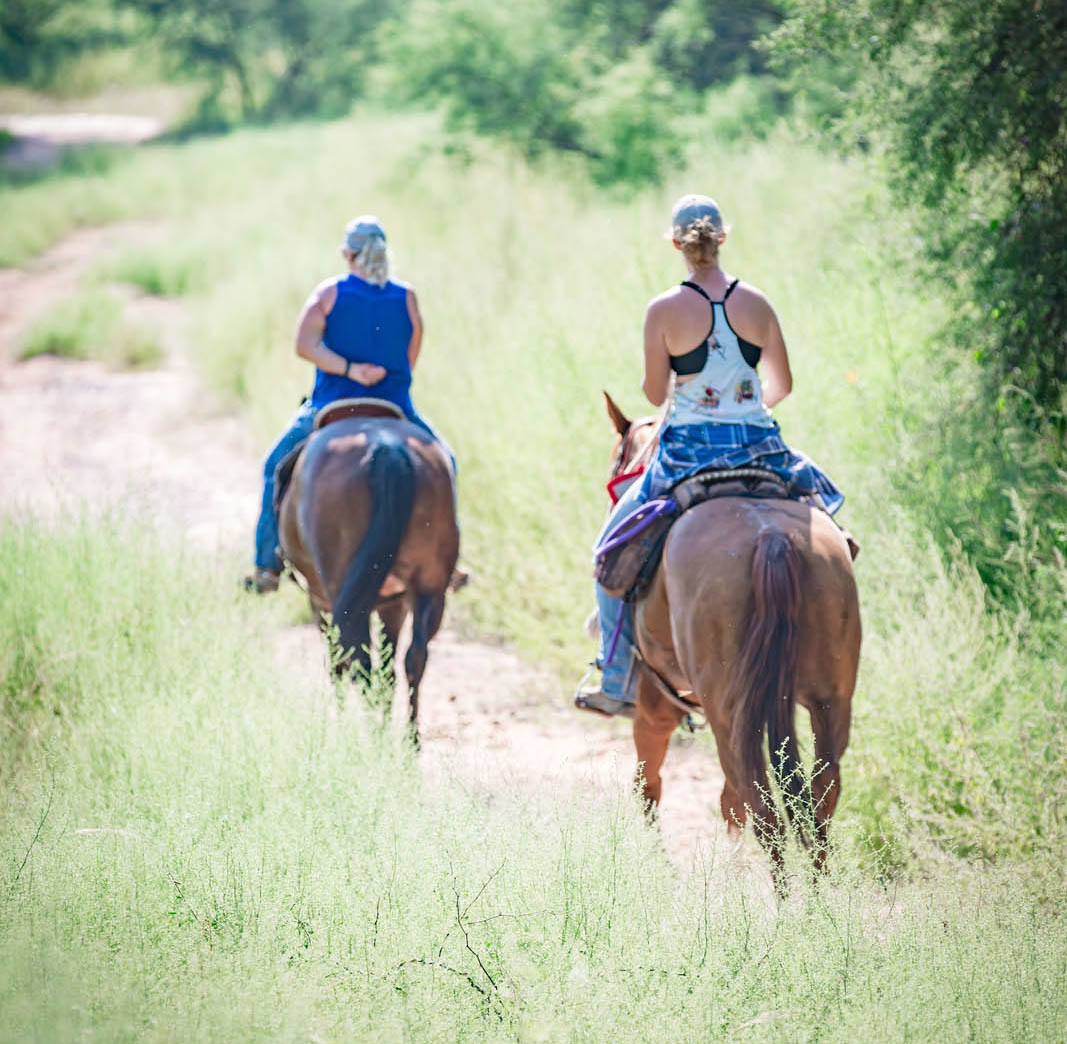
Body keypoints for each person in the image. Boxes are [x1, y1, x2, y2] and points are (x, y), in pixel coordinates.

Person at [575, 194, 845, 717]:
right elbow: (782, 385)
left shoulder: (664, 310)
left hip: (687, 453)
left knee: (608, 550)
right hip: (760, 446)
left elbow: (655, 397)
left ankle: (614, 677)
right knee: (832, 527)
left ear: (676, 244)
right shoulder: (758, 304)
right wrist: (742, 407)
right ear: (723, 238)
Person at [244, 215, 453, 594]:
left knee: (275, 466)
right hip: (394, 404)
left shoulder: (329, 294)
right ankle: (446, 563)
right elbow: (412, 353)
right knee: (447, 464)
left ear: (348, 254)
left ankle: (267, 564)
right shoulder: (406, 296)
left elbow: (304, 346)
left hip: (332, 403)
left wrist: (349, 370)